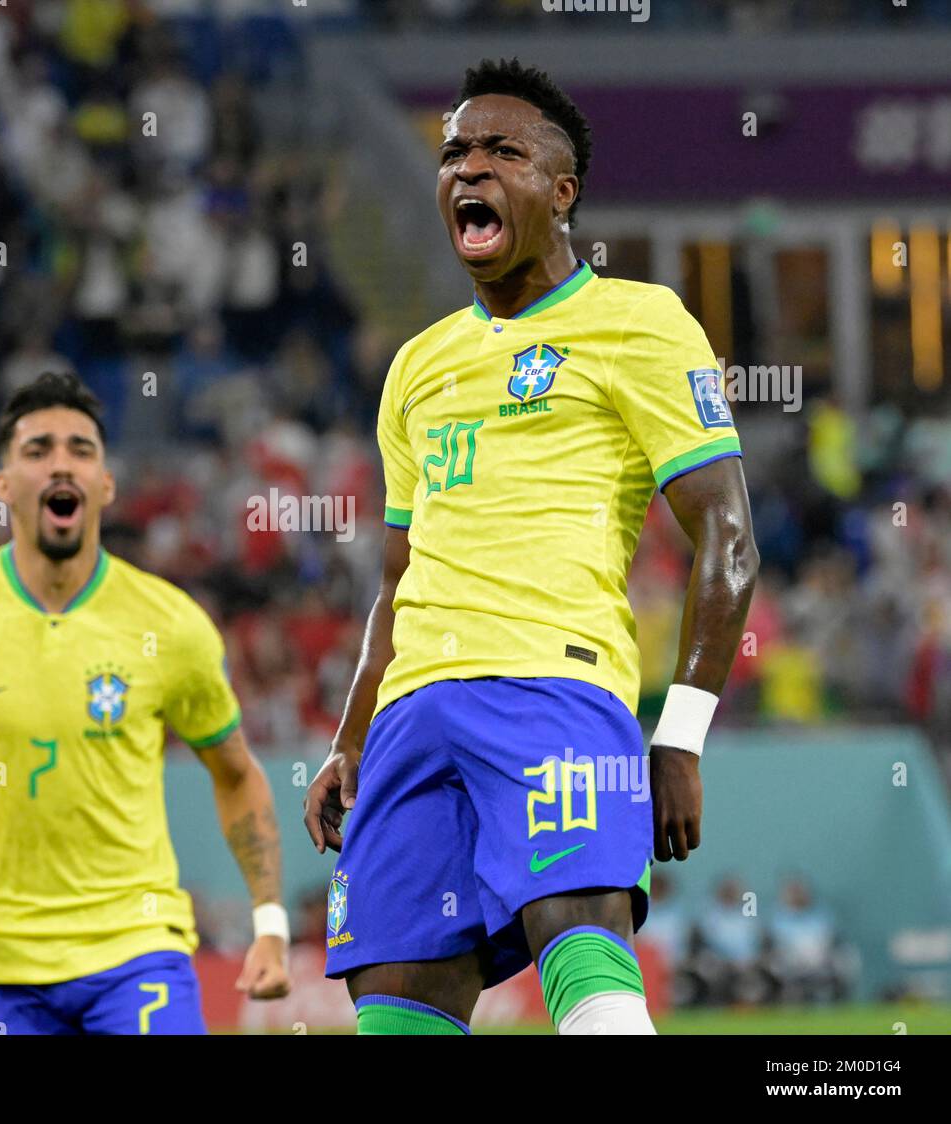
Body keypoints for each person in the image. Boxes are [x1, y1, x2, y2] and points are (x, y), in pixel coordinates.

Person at [304, 57, 758, 1035]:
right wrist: (348, 736)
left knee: (583, 957)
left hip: (551, 686)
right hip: (410, 720)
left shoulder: (639, 322)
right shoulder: (415, 368)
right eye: (454, 152)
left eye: (502, 151)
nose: (469, 169)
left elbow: (726, 532)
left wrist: (677, 733)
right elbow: (396, 578)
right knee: (396, 999)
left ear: (562, 193)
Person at [0, 371, 290, 1034]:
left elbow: (237, 773)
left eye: (81, 450)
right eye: (38, 450)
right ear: (4, 487)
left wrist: (268, 921)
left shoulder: (170, 624)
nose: (61, 463)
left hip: (137, 946)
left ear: (106, 485)